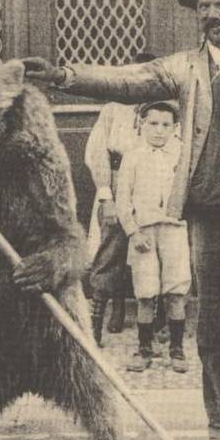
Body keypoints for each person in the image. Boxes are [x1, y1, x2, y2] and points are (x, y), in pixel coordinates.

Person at [23, 0, 220, 440]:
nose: (211, 15)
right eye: (204, 7)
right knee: (216, 325)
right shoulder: (185, 66)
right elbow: (128, 81)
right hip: (211, 212)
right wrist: (64, 75)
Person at [85, 52, 155, 345]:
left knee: (151, 245)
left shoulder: (165, 108)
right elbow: (97, 151)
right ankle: (99, 316)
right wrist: (106, 196)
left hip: (151, 182)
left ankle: (154, 315)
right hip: (116, 179)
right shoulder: (113, 108)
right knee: (111, 247)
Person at [115, 102, 190, 373]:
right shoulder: (133, 157)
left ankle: (177, 350)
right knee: (145, 293)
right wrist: (133, 232)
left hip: (174, 230)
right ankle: (144, 348)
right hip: (144, 232)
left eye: (166, 125)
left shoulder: (182, 155)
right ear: (142, 125)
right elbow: (123, 199)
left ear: (175, 128)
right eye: (153, 124)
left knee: (175, 291)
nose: (159, 131)